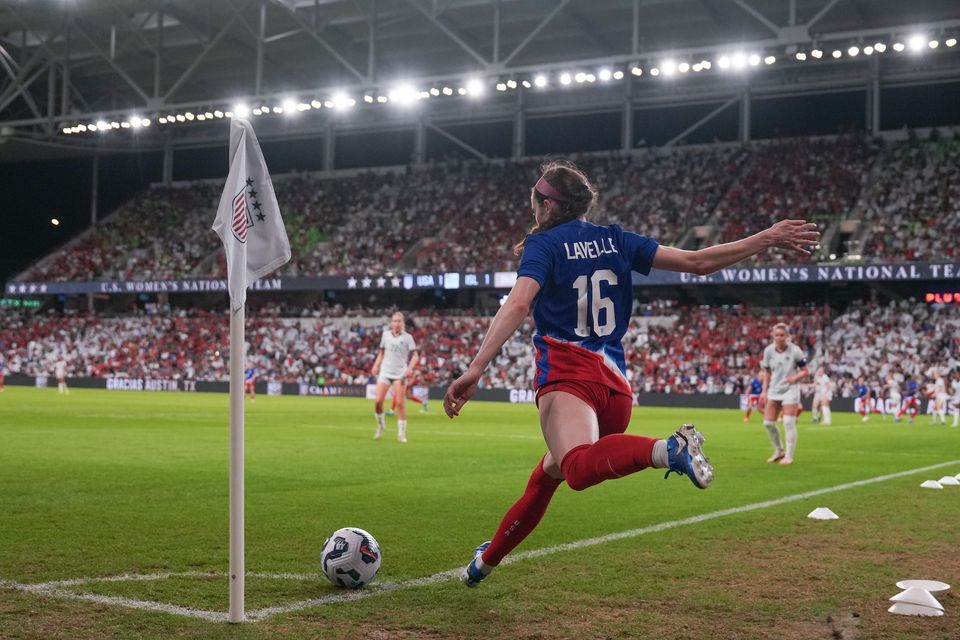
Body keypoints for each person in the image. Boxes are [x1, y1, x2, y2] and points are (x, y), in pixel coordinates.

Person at [443, 160, 819, 587]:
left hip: (569, 376)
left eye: (535, 199)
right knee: (548, 474)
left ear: (549, 205)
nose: (532, 207)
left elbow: (516, 304)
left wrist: (475, 368)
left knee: (578, 471)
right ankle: (484, 563)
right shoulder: (616, 240)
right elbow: (697, 262)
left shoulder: (543, 245)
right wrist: (767, 237)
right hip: (616, 390)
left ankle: (669, 449)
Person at [759, 323, 809, 465]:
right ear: (773, 336)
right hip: (774, 390)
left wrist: (794, 378)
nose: (779, 337)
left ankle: (789, 455)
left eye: (782, 335)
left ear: (787, 336)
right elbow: (767, 372)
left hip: (790, 390)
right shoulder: (768, 351)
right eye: (776, 335)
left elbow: (806, 370)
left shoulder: (795, 351)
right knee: (768, 423)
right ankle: (778, 450)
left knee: (788, 422)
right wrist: (764, 391)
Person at [372, 312, 419, 443]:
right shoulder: (385, 335)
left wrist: (410, 368)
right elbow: (381, 353)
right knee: (378, 402)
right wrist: (376, 365)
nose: (397, 323)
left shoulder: (408, 337)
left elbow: (415, 356)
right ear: (391, 323)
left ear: (402, 323)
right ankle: (381, 426)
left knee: (399, 403)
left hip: (400, 374)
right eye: (394, 321)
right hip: (385, 372)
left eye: (399, 321)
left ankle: (401, 434)